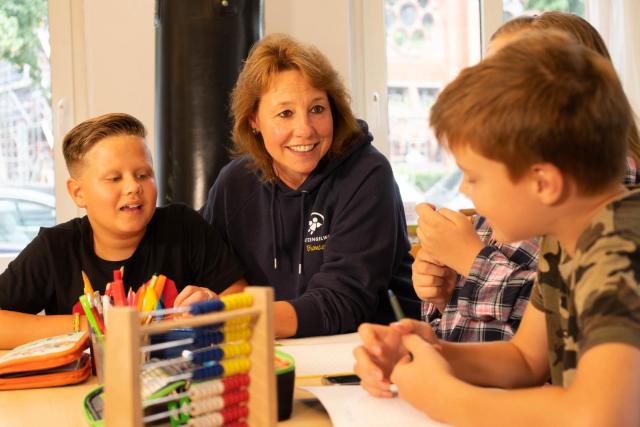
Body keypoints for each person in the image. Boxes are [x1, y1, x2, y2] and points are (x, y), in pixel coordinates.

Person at [354, 30, 640, 424]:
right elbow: (525, 359)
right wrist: (427, 349)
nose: (465, 191)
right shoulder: (565, 234)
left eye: (474, 177)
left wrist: (443, 396)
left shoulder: (622, 245)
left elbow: (599, 415)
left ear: (544, 183)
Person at [414, 10, 640, 342]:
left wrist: (470, 261)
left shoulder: (607, 202)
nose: (489, 98)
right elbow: (519, 348)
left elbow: (560, 328)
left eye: (507, 81)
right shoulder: (514, 186)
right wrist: (444, 294)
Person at [200, 33, 418, 338]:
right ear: (254, 120)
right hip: (276, 352)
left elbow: (343, 302)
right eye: (285, 113)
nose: (304, 129)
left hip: (371, 355)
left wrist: (235, 317)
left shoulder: (368, 174)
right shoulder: (234, 183)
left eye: (317, 109)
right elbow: (204, 264)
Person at [0, 113, 246, 349]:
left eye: (143, 174)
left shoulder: (183, 227)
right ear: (78, 192)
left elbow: (241, 299)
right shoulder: (55, 248)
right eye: (114, 178)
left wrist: (213, 303)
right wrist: (90, 326)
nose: (133, 187)